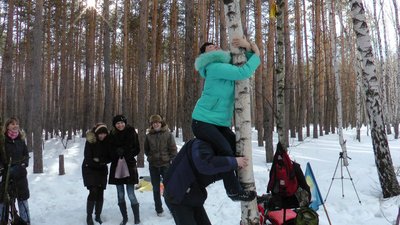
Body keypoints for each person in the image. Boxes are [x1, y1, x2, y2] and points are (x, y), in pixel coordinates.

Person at [191, 37, 260, 201]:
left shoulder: (227, 64)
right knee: (226, 152)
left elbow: (243, 63)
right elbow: (243, 72)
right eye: (208, 47)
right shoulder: (213, 66)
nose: (213, 45)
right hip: (203, 121)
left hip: (219, 123)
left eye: (214, 44)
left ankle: (242, 185)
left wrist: (248, 48)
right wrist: (256, 52)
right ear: (204, 56)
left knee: (237, 149)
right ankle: (233, 191)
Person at [164, 138, 251, 225]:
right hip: (177, 196)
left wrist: (232, 168)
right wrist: (233, 162)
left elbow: (212, 172)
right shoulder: (200, 143)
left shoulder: (215, 150)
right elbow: (205, 164)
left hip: (192, 195)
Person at [108, 115, 141, 225]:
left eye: (122, 123)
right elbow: (108, 150)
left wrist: (126, 153)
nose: (120, 125)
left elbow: (137, 149)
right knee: (120, 194)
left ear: (125, 123)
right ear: (114, 125)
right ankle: (125, 218)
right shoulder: (111, 135)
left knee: (131, 194)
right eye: (117, 123)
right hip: (116, 167)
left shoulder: (132, 132)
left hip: (129, 166)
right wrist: (116, 152)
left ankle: (137, 218)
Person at [144, 115, 177, 216]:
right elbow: (146, 150)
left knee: (168, 188)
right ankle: (158, 209)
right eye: (154, 123)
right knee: (156, 188)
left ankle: (172, 208)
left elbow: (173, 149)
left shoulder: (168, 134)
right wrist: (150, 158)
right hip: (153, 165)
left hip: (165, 165)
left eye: (157, 122)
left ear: (161, 123)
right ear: (152, 125)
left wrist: (171, 160)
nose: (156, 124)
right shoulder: (149, 136)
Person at [0, 117, 30, 225]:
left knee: (23, 201)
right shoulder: (3, 140)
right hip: (7, 176)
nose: (15, 125)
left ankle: (26, 222)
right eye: (12, 124)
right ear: (7, 126)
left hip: (20, 176)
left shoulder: (21, 140)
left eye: (16, 123)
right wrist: (2, 168)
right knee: (3, 201)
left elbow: (26, 155)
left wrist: (23, 164)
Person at [266, 142, 311, 210]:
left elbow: (271, 186)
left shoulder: (274, 168)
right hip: (294, 202)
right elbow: (304, 186)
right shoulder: (295, 167)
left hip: (279, 202)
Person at [82, 123, 111, 225]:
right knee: (93, 191)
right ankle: (89, 216)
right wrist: (100, 162)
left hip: (102, 169)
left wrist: (100, 161)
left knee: (100, 192)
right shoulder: (90, 141)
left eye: (104, 134)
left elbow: (109, 157)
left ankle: (98, 215)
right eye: (100, 134)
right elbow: (88, 157)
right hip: (89, 169)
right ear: (97, 133)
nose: (102, 136)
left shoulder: (107, 142)